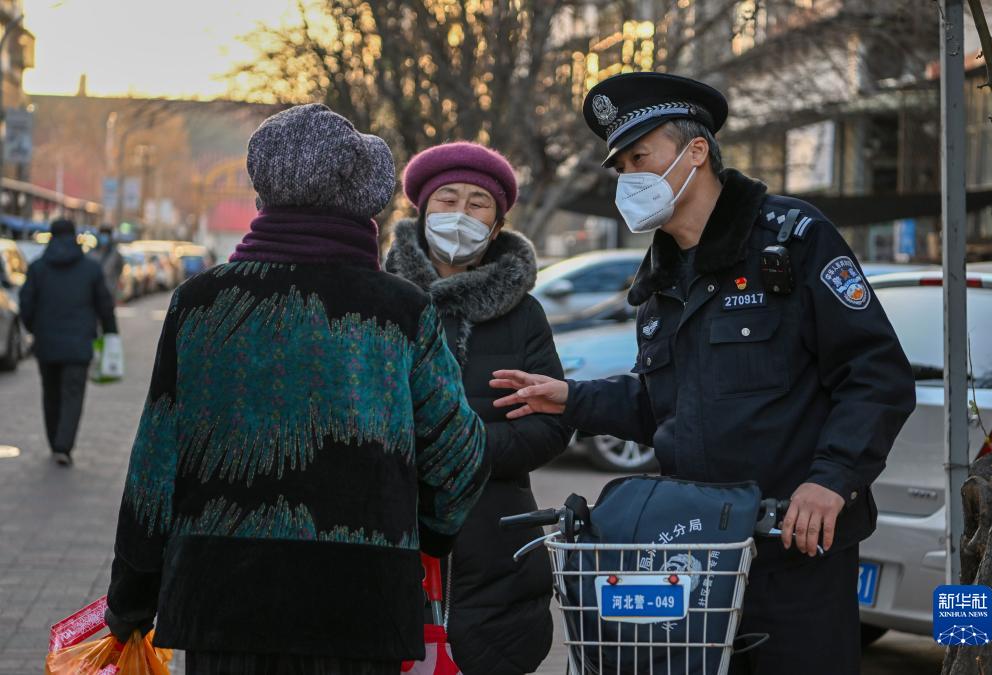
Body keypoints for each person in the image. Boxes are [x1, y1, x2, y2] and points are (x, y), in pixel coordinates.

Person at [490, 73, 916, 675]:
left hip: (791, 548)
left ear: (696, 152)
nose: (629, 177)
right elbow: (662, 407)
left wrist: (834, 477)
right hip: (693, 549)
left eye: (641, 157)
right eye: (621, 166)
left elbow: (877, 374)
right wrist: (573, 399)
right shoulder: (660, 282)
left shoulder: (791, 241)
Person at [103, 104, 490, 674]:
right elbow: (459, 460)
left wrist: (130, 600)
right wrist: (425, 533)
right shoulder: (401, 309)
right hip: (360, 607)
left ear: (264, 199)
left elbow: (154, 468)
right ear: (365, 203)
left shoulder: (199, 303)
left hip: (222, 605)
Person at [386, 142, 571, 675]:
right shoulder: (379, 298)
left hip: (497, 547)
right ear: (422, 211)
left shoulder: (525, 313)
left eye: (477, 204)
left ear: (496, 223)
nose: (461, 214)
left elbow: (552, 423)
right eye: (447, 199)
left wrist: (463, 450)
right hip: (395, 540)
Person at [19, 219, 118, 466]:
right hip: (79, 345)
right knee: (73, 395)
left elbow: (26, 306)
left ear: (51, 236)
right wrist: (110, 333)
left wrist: (36, 330)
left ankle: (55, 443)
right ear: (75, 237)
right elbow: (104, 305)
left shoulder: (37, 268)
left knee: (50, 394)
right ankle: (64, 445)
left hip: (47, 345)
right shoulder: (91, 269)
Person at [89, 224, 125, 299]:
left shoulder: (115, 254)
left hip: (109, 291)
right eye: (102, 235)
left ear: (110, 237)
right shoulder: (92, 253)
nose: (104, 238)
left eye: (106, 235)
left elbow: (120, 269)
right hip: (93, 292)